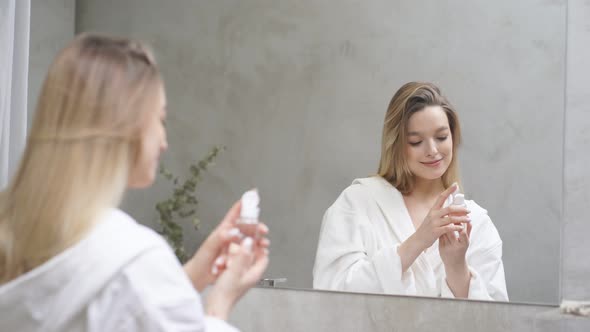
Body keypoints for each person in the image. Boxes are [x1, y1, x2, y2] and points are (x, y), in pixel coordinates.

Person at [0, 33, 269, 331]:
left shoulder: (12, 233)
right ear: (125, 127)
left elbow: (123, 310)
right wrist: (220, 304)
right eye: (160, 119)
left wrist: (193, 272)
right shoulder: (133, 262)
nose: (164, 141)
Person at [312, 82, 508, 301]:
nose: (433, 150)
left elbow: (495, 319)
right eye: (416, 142)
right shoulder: (357, 203)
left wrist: (456, 267)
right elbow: (330, 296)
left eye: (442, 137)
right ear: (396, 145)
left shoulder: (476, 221)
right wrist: (417, 242)